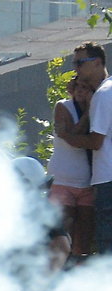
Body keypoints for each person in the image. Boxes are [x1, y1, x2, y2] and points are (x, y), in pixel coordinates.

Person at [56, 42, 112, 254]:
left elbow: (96, 141)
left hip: (107, 179)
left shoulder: (104, 94)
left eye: (80, 63)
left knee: (107, 247)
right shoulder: (104, 92)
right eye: (74, 63)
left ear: (97, 63)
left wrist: (67, 137)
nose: (75, 68)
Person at [50, 77, 96, 256]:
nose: (80, 91)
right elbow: (72, 138)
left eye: (85, 88)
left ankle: (78, 276)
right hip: (63, 180)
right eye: (78, 86)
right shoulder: (64, 106)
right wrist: (87, 113)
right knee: (62, 236)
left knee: (83, 239)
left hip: (88, 182)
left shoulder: (100, 110)